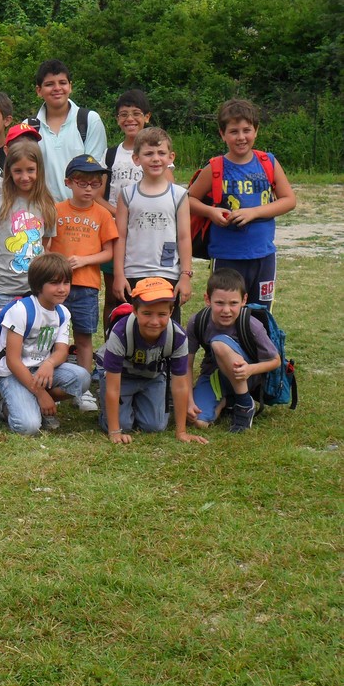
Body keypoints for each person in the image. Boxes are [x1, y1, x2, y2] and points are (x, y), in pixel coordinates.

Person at [186, 99, 295, 308]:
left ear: (256, 130)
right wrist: (211, 212)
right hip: (226, 256)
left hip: (263, 255)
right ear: (222, 134)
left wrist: (254, 212)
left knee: (261, 317)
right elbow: (188, 200)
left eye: (247, 130)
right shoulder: (216, 167)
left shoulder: (268, 162)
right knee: (225, 316)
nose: (241, 137)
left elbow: (289, 200)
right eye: (234, 131)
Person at [0, 252, 90, 436]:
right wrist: (41, 395)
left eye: (66, 283)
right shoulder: (21, 310)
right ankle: (2, 406)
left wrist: (49, 364)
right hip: (14, 373)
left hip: (41, 369)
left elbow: (61, 350)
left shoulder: (63, 312)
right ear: (38, 285)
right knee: (29, 427)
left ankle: (34, 402)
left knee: (82, 378)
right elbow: (12, 361)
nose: (62, 289)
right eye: (54, 283)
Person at [98, 278, 207, 444]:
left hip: (152, 378)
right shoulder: (120, 333)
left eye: (162, 314)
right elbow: (113, 387)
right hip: (122, 378)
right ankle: (114, 410)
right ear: (135, 310)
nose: (154, 321)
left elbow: (180, 384)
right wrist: (114, 431)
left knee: (155, 426)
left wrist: (181, 432)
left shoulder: (177, 336)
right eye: (147, 313)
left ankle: (136, 403)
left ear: (171, 312)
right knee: (123, 425)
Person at [48, 154, 118, 409]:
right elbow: (46, 245)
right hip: (56, 287)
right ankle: (52, 381)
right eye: (82, 183)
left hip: (87, 286)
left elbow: (109, 252)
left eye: (95, 184)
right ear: (69, 183)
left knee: (84, 337)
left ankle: (83, 387)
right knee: (54, 337)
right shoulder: (55, 210)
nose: (88, 189)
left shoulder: (102, 214)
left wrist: (85, 260)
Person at [185, 268, 280, 433]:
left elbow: (275, 361)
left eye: (233, 303)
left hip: (246, 376)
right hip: (215, 377)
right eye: (219, 303)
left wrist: (250, 369)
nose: (226, 310)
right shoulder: (197, 321)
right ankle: (227, 401)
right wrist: (188, 400)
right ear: (208, 299)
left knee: (219, 344)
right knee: (199, 422)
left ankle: (244, 404)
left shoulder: (251, 324)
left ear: (244, 300)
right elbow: (186, 364)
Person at [113, 128, 192, 322]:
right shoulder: (127, 194)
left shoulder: (179, 195)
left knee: (168, 329)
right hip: (134, 273)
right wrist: (118, 275)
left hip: (168, 274)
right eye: (149, 153)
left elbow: (184, 237)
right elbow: (120, 237)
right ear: (136, 159)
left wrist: (185, 276)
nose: (156, 159)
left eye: (161, 153)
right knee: (134, 326)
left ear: (171, 157)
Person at [0, 140, 58, 312]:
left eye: (30, 170)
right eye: (18, 171)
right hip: (4, 286)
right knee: (1, 335)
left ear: (39, 170)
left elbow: (44, 244)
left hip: (36, 287)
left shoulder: (47, 206)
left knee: (32, 333)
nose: (24, 177)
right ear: (9, 172)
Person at [98, 90, 154, 325]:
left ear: (147, 117)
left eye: (136, 114)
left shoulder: (155, 151)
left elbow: (168, 190)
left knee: (146, 295)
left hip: (146, 234)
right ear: (117, 119)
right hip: (115, 232)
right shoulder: (110, 154)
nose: (130, 119)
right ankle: (111, 347)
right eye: (124, 115)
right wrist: (119, 213)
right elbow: (97, 197)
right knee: (114, 295)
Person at [33, 59, 107, 202]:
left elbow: (95, 173)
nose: (57, 88)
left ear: (70, 86)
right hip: (41, 213)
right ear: (39, 91)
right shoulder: (30, 127)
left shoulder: (89, 120)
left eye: (62, 83)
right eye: (49, 84)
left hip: (81, 213)